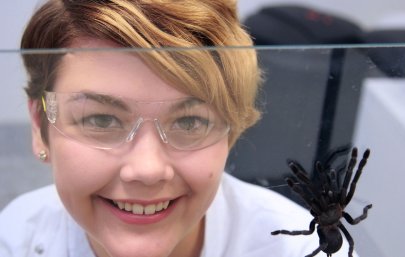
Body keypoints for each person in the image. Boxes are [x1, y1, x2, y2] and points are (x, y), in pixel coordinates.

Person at [0, 0, 357, 256]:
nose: (147, 170)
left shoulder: (297, 250)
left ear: (232, 133)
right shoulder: (14, 238)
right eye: (100, 120)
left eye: (189, 122)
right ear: (39, 126)